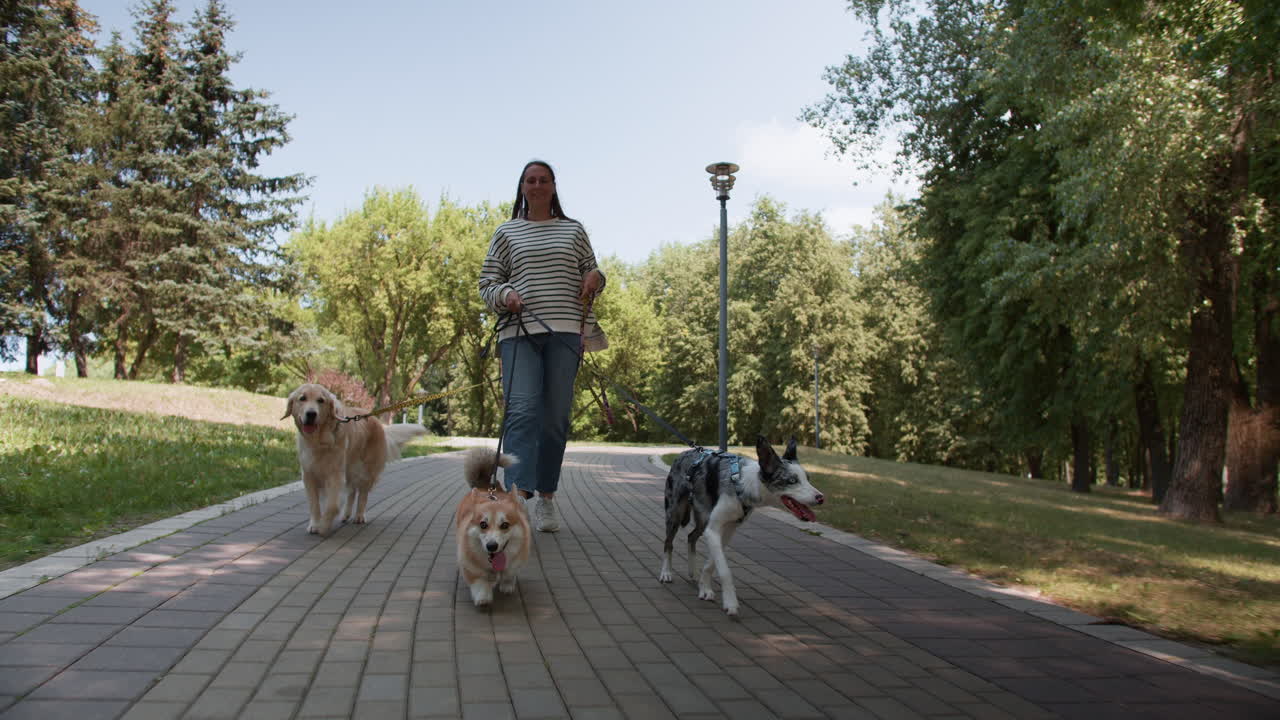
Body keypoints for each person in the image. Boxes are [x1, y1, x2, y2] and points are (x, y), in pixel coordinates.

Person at [478, 160, 607, 532]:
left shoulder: (573, 229)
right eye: (530, 180)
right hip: (517, 332)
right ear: (522, 187)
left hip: (565, 331)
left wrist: (596, 277)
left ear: (553, 186)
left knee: (554, 419)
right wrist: (505, 293)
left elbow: (593, 271)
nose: (536, 185)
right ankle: (516, 501)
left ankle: (546, 498)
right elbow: (487, 283)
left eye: (543, 180)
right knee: (521, 411)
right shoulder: (506, 232)